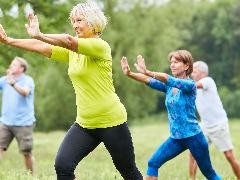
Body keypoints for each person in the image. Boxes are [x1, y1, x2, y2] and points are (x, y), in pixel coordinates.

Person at [0, 2, 143, 180]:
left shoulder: (100, 46)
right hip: (85, 123)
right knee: (63, 166)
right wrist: (9, 41)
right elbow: (42, 47)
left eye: (80, 20)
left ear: (93, 22)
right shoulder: (72, 52)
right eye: (73, 21)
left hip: (111, 121)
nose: (75, 25)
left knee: (128, 172)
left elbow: (68, 41)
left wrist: (40, 34)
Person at [120, 51, 221, 180]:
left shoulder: (190, 85)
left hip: (194, 137)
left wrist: (148, 71)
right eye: (171, 62)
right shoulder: (168, 87)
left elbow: (168, 79)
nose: (172, 65)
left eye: (176, 62)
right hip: (176, 138)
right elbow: (147, 80)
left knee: (209, 174)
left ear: (186, 66)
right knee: (153, 163)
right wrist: (129, 73)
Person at [189, 61, 240, 180]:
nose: (192, 74)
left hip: (218, 125)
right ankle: (191, 179)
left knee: (229, 156)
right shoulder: (193, 85)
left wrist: (179, 82)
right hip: (204, 126)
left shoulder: (208, 81)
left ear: (202, 72)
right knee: (193, 152)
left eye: (194, 71)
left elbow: (194, 85)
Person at [0, 57, 35, 174]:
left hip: (24, 123)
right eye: (11, 64)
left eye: (14, 65)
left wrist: (13, 83)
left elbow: (25, 92)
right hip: (5, 122)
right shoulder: (4, 80)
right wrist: (9, 80)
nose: (11, 66)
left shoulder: (28, 80)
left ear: (22, 68)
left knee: (26, 153)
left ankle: (31, 176)